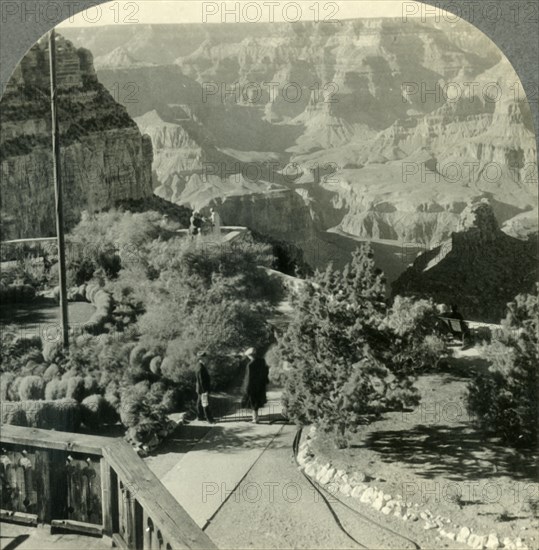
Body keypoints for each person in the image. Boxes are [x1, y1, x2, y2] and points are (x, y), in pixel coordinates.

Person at [241, 347, 269, 424]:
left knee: (253, 402)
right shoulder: (262, 361)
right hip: (260, 385)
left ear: (250, 355)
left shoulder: (250, 365)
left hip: (252, 386)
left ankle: (255, 419)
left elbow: (248, 378)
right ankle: (256, 418)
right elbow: (266, 371)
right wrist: (265, 381)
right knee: (257, 402)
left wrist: (246, 388)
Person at [195, 351, 215, 423]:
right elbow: (202, 381)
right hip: (203, 389)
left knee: (199, 403)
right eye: (205, 357)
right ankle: (209, 419)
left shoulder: (199, 366)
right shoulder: (201, 368)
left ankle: (200, 416)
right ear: (201, 358)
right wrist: (205, 391)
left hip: (199, 389)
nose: (206, 358)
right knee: (205, 403)